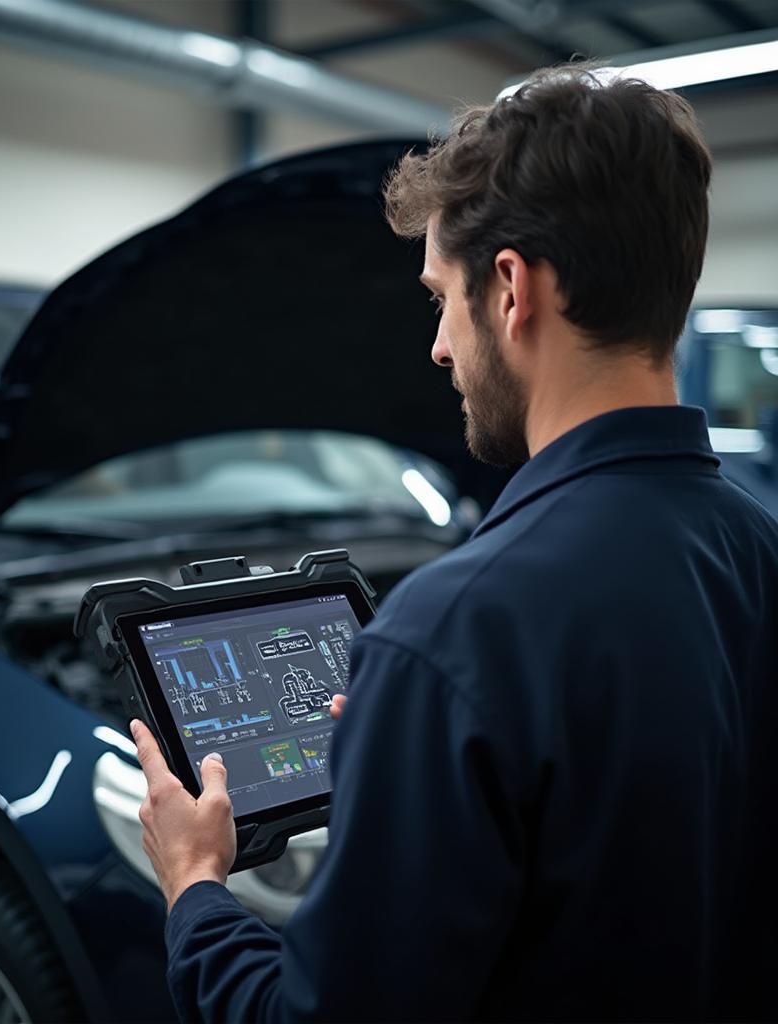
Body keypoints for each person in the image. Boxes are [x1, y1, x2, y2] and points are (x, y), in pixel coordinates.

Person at [129, 64, 778, 1021]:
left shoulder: (453, 633)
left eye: (441, 297)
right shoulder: (756, 546)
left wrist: (195, 887)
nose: (438, 346)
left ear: (511, 289)